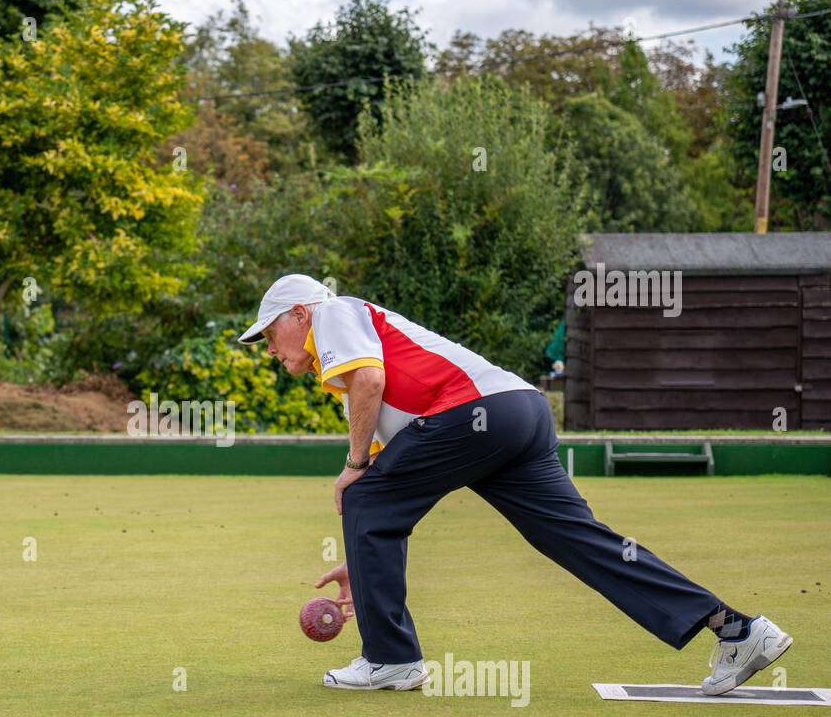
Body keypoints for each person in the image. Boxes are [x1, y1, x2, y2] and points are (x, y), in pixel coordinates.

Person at [238, 274, 792, 694]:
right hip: (519, 414)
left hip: (477, 414)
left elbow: (371, 391)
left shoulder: (334, 313)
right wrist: (364, 560)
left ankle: (390, 659)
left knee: (361, 492)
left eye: (269, 333)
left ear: (300, 313)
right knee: (580, 540)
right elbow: (394, 476)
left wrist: (355, 469)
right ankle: (737, 630)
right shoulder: (353, 375)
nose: (268, 347)